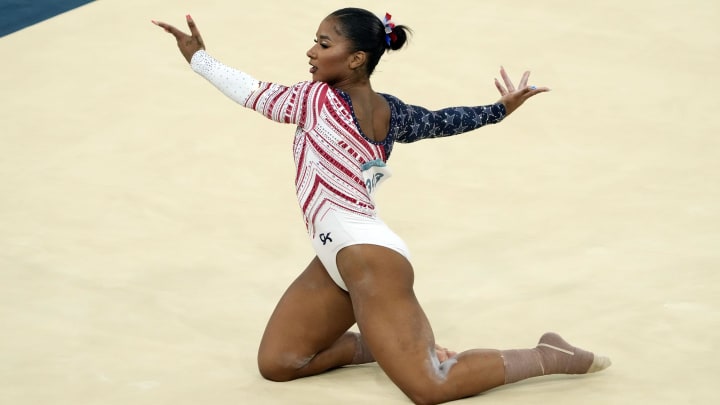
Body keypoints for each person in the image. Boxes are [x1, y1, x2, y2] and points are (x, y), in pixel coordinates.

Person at [153, 8, 610, 405]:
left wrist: (198, 57)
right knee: (281, 361)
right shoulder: (390, 111)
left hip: (368, 256)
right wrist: (497, 110)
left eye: (323, 43)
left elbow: (250, 91)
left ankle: (550, 355)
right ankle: (384, 344)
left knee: (430, 386)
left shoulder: (316, 100)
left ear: (355, 59)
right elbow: (441, 121)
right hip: (338, 254)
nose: (311, 51)